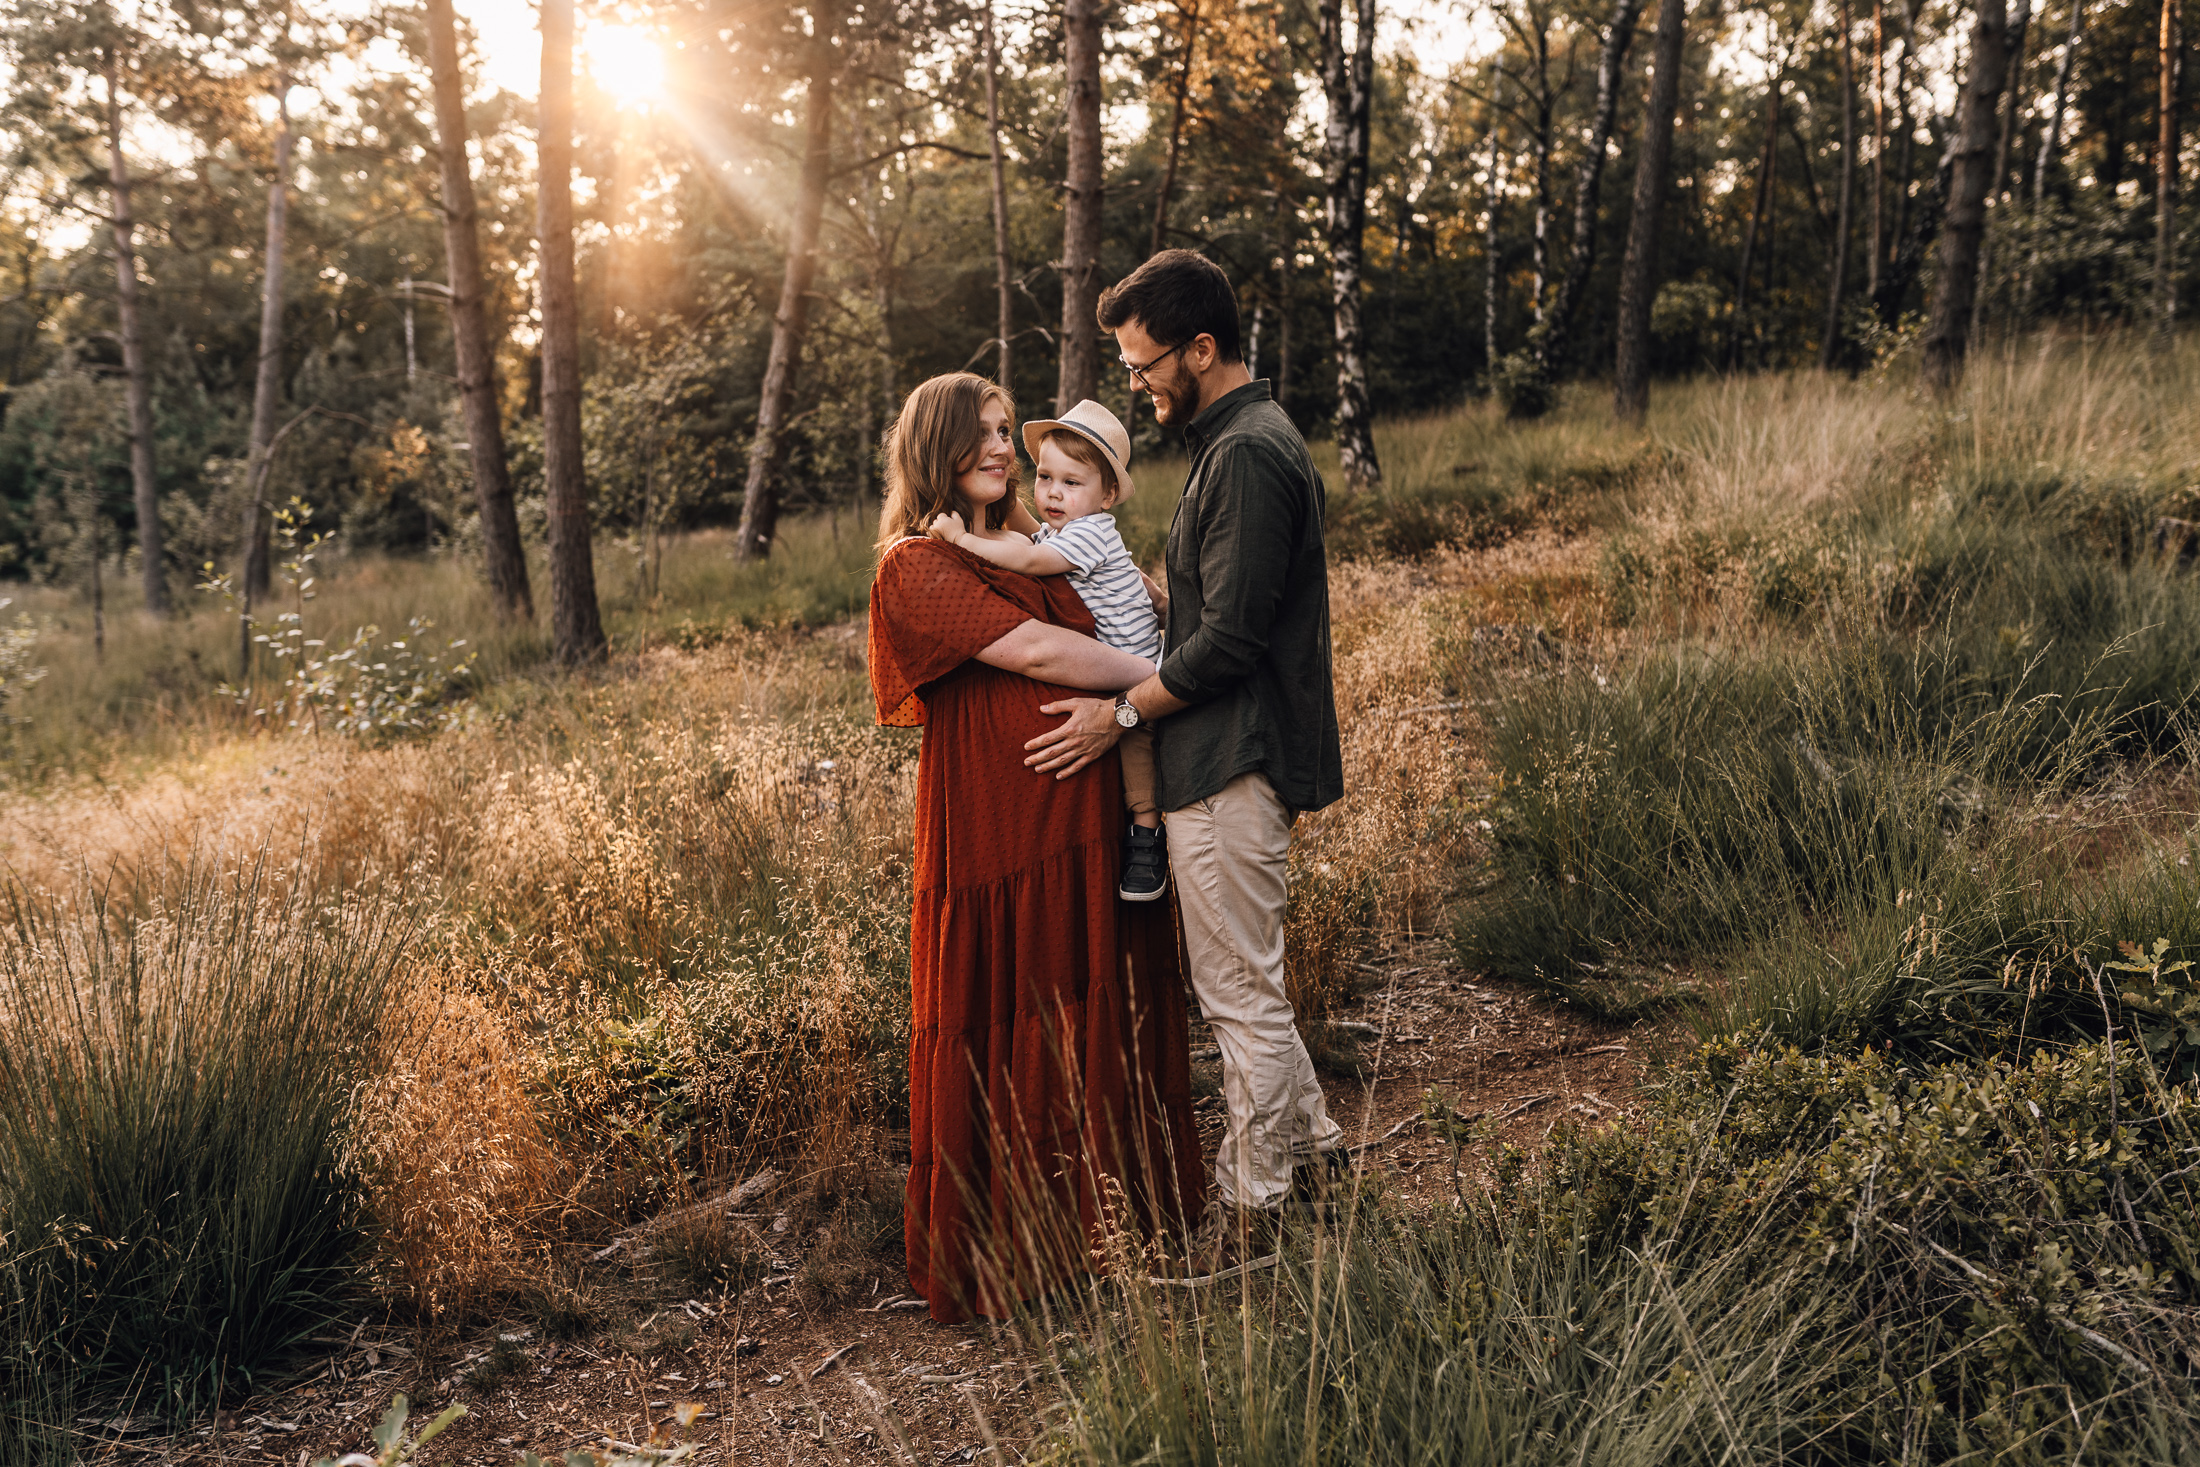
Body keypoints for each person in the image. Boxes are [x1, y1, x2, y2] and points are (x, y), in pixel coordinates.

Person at [1020, 250, 1346, 1244]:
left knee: (1237, 993)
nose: (1139, 382)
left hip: (1226, 759)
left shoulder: (1245, 453)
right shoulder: (1236, 441)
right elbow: (1226, 605)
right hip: (1217, 754)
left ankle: (1256, 1211)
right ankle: (1320, 1160)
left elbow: (1233, 645)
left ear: (1200, 349)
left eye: (1145, 362)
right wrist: (1155, 604)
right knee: (1247, 981)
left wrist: (1117, 716)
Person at [866, 371, 1206, 1323]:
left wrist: (1151, 658)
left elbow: (1109, 601)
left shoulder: (1036, 545)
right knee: (1020, 999)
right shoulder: (915, 563)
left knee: (1095, 988)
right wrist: (1179, 679)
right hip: (1000, 831)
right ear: (934, 441)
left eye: (1007, 431)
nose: (1001, 448)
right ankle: (1020, 1244)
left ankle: (1113, 1232)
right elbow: (1042, 656)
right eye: (981, 432)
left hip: (1084, 810)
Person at [922, 398, 1170, 902]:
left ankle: (1146, 836)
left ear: (1109, 495)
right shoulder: (1066, 528)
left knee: (1139, 752)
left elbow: (1030, 559)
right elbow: (1029, 532)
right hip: (1032, 794)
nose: (1053, 493)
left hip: (1138, 672)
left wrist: (961, 539)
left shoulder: (1088, 534)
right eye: (1045, 478)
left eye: (1071, 483)